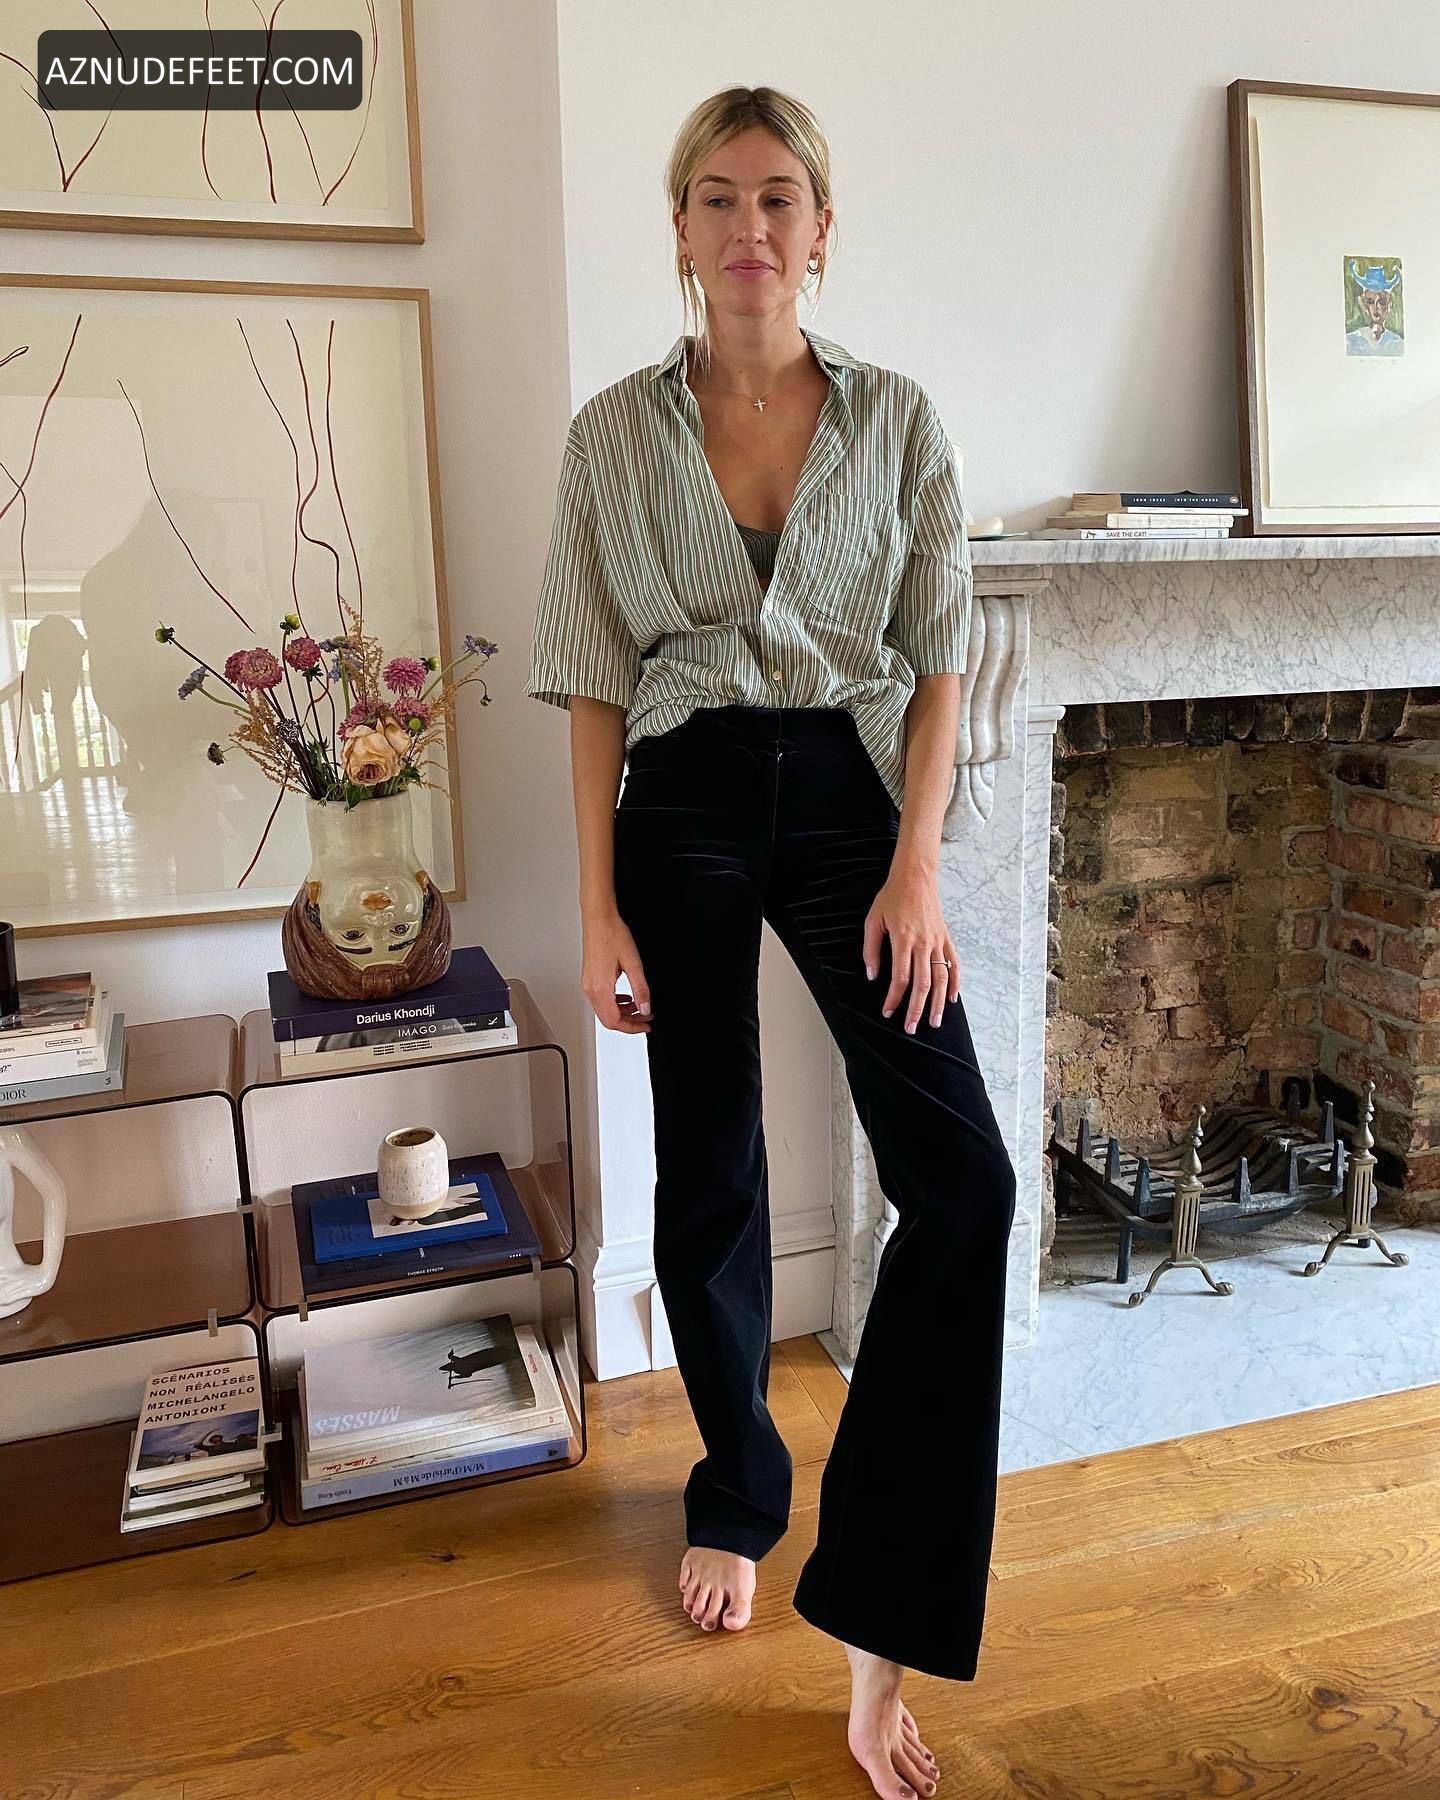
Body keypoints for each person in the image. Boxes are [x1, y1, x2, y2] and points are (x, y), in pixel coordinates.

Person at [526, 85, 1016, 1800]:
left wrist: (916, 870)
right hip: (684, 790)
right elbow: (590, 676)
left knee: (965, 1185)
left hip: (855, 791)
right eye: (719, 197)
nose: (750, 226)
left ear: (821, 230)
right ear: (680, 230)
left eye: (779, 196)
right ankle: (736, 1488)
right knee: (713, 1163)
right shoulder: (613, 435)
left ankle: (877, 1631)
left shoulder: (898, 419)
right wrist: (594, 900)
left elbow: (941, 655)